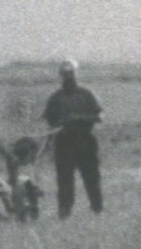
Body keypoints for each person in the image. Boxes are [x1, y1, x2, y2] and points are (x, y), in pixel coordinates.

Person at [43, 59, 105, 217]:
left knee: (91, 178)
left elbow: (99, 117)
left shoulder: (87, 94)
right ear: (61, 76)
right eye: (65, 74)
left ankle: (97, 209)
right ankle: (64, 212)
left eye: (71, 74)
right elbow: (49, 121)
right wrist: (57, 129)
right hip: (64, 144)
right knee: (64, 181)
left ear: (76, 74)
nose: (68, 77)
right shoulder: (55, 98)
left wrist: (78, 118)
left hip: (85, 141)